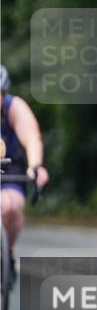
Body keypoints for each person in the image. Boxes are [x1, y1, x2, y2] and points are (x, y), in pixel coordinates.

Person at [1, 65, 49, 254]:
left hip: (9, 166)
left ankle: (8, 251)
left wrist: (35, 166)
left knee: (11, 207)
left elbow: (32, 138)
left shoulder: (14, 107)